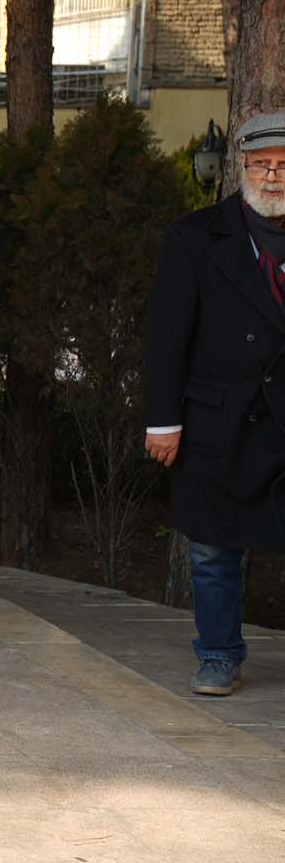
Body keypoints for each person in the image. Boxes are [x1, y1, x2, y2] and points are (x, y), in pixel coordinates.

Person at [145, 109, 285, 697]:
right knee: (211, 550)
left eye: (283, 165)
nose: (273, 176)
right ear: (241, 167)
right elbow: (166, 336)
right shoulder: (194, 236)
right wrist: (162, 420)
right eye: (261, 164)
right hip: (220, 419)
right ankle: (219, 655)